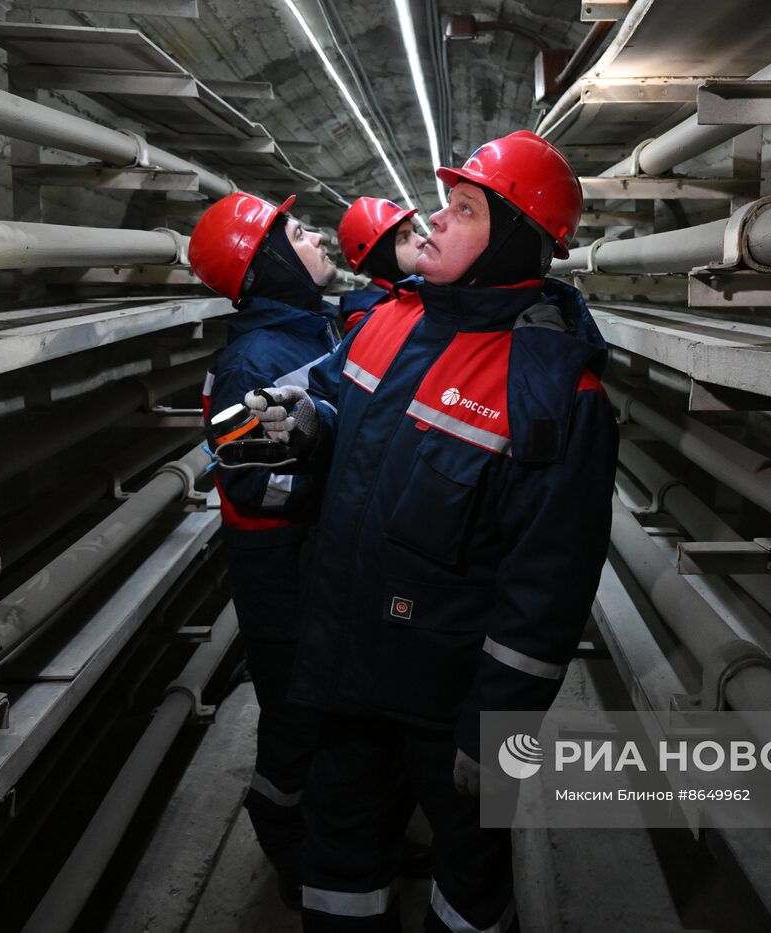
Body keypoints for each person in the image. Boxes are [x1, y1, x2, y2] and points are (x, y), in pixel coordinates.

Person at [246, 131, 618, 932]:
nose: (436, 220)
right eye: (445, 204)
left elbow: (546, 591)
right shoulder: (390, 321)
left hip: (447, 700)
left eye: (466, 210)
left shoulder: (554, 393)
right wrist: (311, 424)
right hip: (346, 664)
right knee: (339, 864)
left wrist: (496, 730)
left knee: (469, 885)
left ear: (515, 239)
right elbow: (340, 413)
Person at [187, 191, 336, 909]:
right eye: (300, 234)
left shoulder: (311, 330)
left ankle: (342, 838)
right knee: (295, 719)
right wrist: (344, 469)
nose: (319, 239)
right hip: (281, 571)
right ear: (267, 261)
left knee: (332, 712)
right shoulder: (253, 362)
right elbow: (254, 486)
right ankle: (289, 845)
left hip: (316, 560)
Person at [336, 196, 427, 333]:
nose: (422, 240)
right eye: (404, 237)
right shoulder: (366, 320)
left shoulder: (425, 289)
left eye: (415, 232)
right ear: (381, 258)